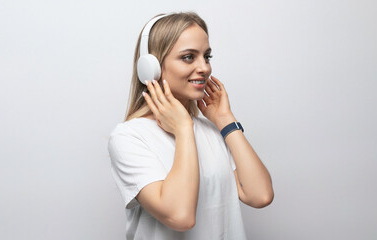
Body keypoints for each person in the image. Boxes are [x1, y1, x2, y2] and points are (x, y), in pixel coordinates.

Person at [108, 12, 274, 240]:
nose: (204, 67)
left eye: (207, 56)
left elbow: (260, 195)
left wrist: (225, 120)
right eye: (188, 57)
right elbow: (180, 216)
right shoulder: (129, 137)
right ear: (150, 68)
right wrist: (184, 129)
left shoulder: (214, 131)